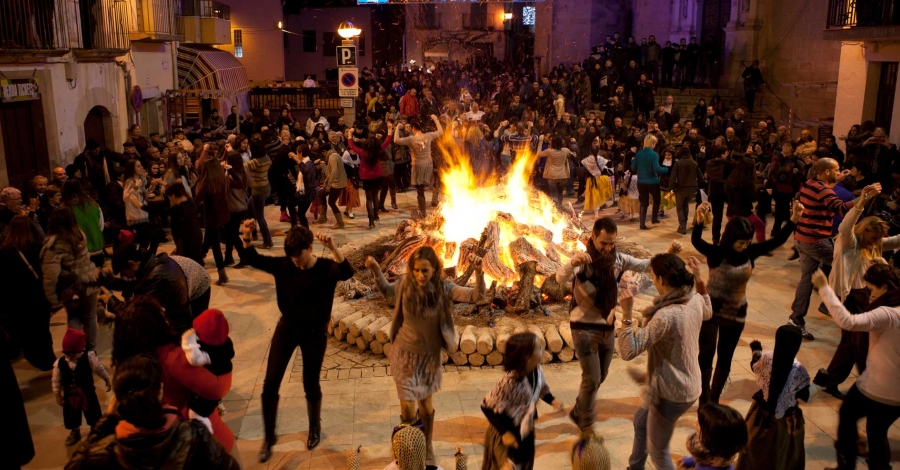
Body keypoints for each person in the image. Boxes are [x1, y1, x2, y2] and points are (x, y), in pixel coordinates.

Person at [239, 221, 354, 461]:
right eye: (291, 257)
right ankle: (269, 437)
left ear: (310, 247)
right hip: (287, 329)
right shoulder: (284, 265)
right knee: (270, 384)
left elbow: (347, 272)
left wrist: (333, 247)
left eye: (298, 256)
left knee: (309, 383)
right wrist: (247, 237)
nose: (295, 262)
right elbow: (253, 258)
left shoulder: (325, 268)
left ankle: (314, 427)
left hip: (314, 334)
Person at [557, 217, 683, 432]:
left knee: (600, 377)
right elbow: (560, 278)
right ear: (593, 237)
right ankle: (585, 425)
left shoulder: (619, 260)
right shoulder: (583, 260)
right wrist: (572, 263)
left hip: (607, 327)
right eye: (603, 243)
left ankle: (579, 409)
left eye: (611, 243)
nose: (608, 248)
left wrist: (669, 253)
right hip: (583, 329)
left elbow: (645, 266)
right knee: (592, 378)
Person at [366, 246, 485, 469]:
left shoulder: (444, 289)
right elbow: (386, 290)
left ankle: (426, 446)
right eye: (417, 270)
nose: (420, 275)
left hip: (429, 357)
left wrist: (479, 272)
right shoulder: (404, 285)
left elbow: (476, 296)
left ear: (435, 269)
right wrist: (375, 269)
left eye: (425, 271)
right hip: (404, 353)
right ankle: (408, 448)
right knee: (407, 409)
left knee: (426, 406)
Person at [692, 200, 802, 404]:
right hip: (710, 310)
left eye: (748, 242)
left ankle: (713, 400)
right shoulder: (717, 253)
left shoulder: (750, 253)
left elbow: (775, 241)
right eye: (741, 243)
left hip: (736, 314)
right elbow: (697, 242)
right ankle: (703, 397)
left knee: (725, 358)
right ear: (730, 239)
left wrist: (794, 219)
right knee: (705, 355)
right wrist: (698, 221)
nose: (744, 247)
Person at [619, 254, 711, 470]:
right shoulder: (694, 299)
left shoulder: (666, 315)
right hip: (690, 383)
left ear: (660, 279)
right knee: (641, 422)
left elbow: (628, 350)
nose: (652, 281)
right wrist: (699, 278)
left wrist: (626, 313)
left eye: (652, 277)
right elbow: (708, 311)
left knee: (658, 452)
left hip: (671, 392)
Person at [66, 354, 239, 469]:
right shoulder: (194, 436)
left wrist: (105, 424)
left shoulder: (102, 453)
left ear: (117, 400)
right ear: (160, 390)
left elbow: (74, 465)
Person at [814, 265, 900, 470]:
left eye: (871, 289)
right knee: (877, 432)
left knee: (847, 416)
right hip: (896, 395)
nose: (868, 294)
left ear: (886, 287)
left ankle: (846, 466)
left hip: (877, 387)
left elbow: (848, 321)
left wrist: (825, 288)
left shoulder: (887, 314)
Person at [813, 184, 893, 398]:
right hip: (851, 296)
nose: (875, 241)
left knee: (855, 341)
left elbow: (893, 241)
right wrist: (861, 202)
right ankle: (837, 381)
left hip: (865, 295)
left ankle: (831, 379)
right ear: (865, 229)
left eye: (878, 238)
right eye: (873, 237)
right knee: (853, 341)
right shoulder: (849, 242)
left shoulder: (872, 245)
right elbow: (845, 226)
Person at [788, 158, 857, 340]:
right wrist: (865, 196)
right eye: (836, 169)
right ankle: (836, 309)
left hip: (802, 238)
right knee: (846, 265)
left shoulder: (810, 184)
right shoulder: (823, 189)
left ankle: (795, 319)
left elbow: (825, 191)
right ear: (827, 172)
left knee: (807, 278)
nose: (839, 171)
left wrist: (837, 179)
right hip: (816, 240)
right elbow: (841, 208)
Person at [736, 325, 815, 470]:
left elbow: (755, 366)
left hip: (760, 414)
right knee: (782, 453)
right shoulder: (798, 369)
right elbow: (805, 395)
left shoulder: (768, 357)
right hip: (785, 420)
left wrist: (756, 350)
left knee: (755, 449)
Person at [480, 332, 563, 470]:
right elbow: (486, 406)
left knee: (524, 461)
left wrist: (553, 401)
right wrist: (504, 433)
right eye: (538, 348)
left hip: (525, 429)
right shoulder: (510, 382)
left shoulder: (537, 370)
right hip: (506, 432)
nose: (542, 349)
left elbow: (541, 389)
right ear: (526, 357)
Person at [0, 215, 56, 371]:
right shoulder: (39, 246)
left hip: (18, 301)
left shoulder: (6, 251)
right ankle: (48, 358)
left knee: (27, 331)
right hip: (39, 295)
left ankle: (36, 357)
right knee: (43, 328)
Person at [41, 208, 101, 351]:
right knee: (90, 317)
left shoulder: (54, 244)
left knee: (73, 317)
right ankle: (91, 352)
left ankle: (77, 351)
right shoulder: (79, 235)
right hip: (90, 280)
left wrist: (51, 297)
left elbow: (51, 273)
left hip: (71, 286)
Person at [109, 242, 194, 333]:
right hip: (182, 298)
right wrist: (112, 282)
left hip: (178, 324)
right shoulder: (148, 264)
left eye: (123, 273)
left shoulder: (157, 278)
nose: (123, 277)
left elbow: (139, 315)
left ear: (131, 264)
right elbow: (135, 284)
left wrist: (110, 299)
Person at [180, 308, 234, 435]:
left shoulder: (212, 350)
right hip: (223, 380)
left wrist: (188, 341)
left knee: (195, 413)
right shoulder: (225, 343)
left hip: (215, 387)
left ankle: (206, 436)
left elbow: (195, 359)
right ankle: (216, 403)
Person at [53, 328, 110, 446]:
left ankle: (95, 430)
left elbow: (98, 368)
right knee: (71, 414)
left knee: (93, 412)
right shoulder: (60, 363)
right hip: (70, 395)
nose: (69, 356)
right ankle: (75, 431)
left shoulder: (89, 356)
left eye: (72, 353)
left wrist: (106, 378)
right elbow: (56, 380)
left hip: (88, 392)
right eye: (67, 353)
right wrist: (57, 394)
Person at [394, 115, 444, 219]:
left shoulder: (411, 139)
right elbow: (440, 132)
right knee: (432, 184)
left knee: (420, 190)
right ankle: (436, 201)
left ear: (413, 128)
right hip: (428, 164)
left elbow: (396, 140)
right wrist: (435, 119)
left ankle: (423, 212)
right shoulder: (429, 135)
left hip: (418, 166)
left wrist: (397, 129)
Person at [195, 151, 231, 285]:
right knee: (208, 240)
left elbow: (196, 201)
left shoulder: (206, 184)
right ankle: (200, 259)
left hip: (212, 218)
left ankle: (222, 275)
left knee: (215, 247)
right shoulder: (223, 179)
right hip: (223, 215)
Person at [347, 126, 392, 229]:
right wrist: (389, 129)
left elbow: (351, 145)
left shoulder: (363, 153)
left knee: (369, 199)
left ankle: (371, 221)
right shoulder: (379, 151)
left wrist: (349, 134)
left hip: (367, 178)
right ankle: (376, 215)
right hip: (378, 176)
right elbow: (387, 141)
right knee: (376, 196)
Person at [677, 404, 748, 470]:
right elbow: (707, 458)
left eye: (699, 424)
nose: (695, 423)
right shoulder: (714, 453)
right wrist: (691, 461)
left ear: (712, 439)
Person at [61, 180, 105, 268]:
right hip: (97, 251)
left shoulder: (64, 210)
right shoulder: (93, 205)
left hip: (78, 254)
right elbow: (101, 227)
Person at [631, 134, 669, 230]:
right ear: (652, 143)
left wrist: (633, 161)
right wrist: (667, 169)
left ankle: (642, 224)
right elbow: (657, 168)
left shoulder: (639, 154)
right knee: (657, 200)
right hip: (653, 182)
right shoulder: (654, 154)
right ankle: (654, 218)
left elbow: (633, 168)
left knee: (644, 202)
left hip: (641, 182)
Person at [122, 160, 159, 254]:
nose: (141, 168)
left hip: (143, 214)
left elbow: (144, 196)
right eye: (138, 166)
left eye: (141, 166)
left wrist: (152, 187)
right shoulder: (130, 181)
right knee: (154, 237)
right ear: (132, 169)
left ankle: (143, 258)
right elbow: (126, 198)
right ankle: (149, 257)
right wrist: (136, 187)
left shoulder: (140, 180)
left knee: (144, 241)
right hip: (135, 216)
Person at [245, 139, 274, 246]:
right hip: (266, 187)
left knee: (259, 216)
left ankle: (267, 241)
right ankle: (254, 234)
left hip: (258, 190)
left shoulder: (255, 162)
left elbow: (242, 167)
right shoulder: (267, 158)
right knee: (249, 208)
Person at [165, 183, 203, 264]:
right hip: (195, 237)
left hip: (186, 241)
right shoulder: (190, 204)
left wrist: (140, 206)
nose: (170, 200)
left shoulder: (179, 208)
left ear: (173, 196)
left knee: (187, 264)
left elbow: (160, 212)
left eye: (170, 197)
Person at [670, 146, 700, 234]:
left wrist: (671, 188)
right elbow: (700, 176)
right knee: (685, 205)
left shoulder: (678, 163)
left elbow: (673, 177)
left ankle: (682, 227)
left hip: (681, 188)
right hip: (692, 188)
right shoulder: (694, 162)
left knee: (679, 207)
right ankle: (684, 224)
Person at [538, 135, 571, 207]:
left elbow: (538, 154)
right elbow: (572, 156)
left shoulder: (549, 151)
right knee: (560, 193)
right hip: (562, 176)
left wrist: (540, 142)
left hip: (551, 175)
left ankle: (556, 209)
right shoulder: (566, 150)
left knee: (554, 194)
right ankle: (560, 206)